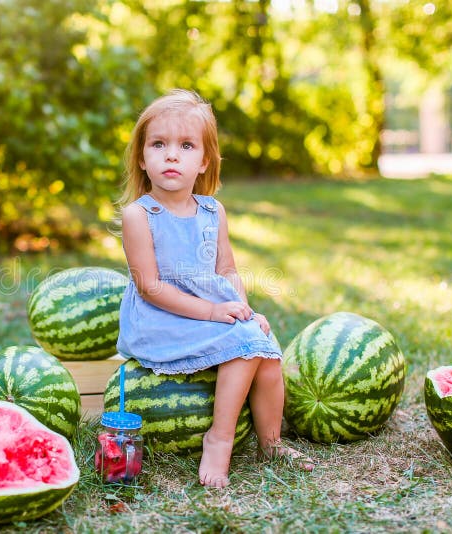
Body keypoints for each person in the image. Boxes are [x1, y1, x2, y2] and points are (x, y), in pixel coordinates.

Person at [116, 89, 313, 488]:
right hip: (161, 320)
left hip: (209, 310)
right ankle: (219, 439)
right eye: (159, 144)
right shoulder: (139, 215)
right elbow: (150, 287)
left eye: (186, 145)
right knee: (244, 349)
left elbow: (226, 268)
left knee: (264, 350)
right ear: (142, 157)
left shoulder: (212, 211)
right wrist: (211, 312)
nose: (172, 155)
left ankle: (271, 442)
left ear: (204, 160)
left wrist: (242, 308)